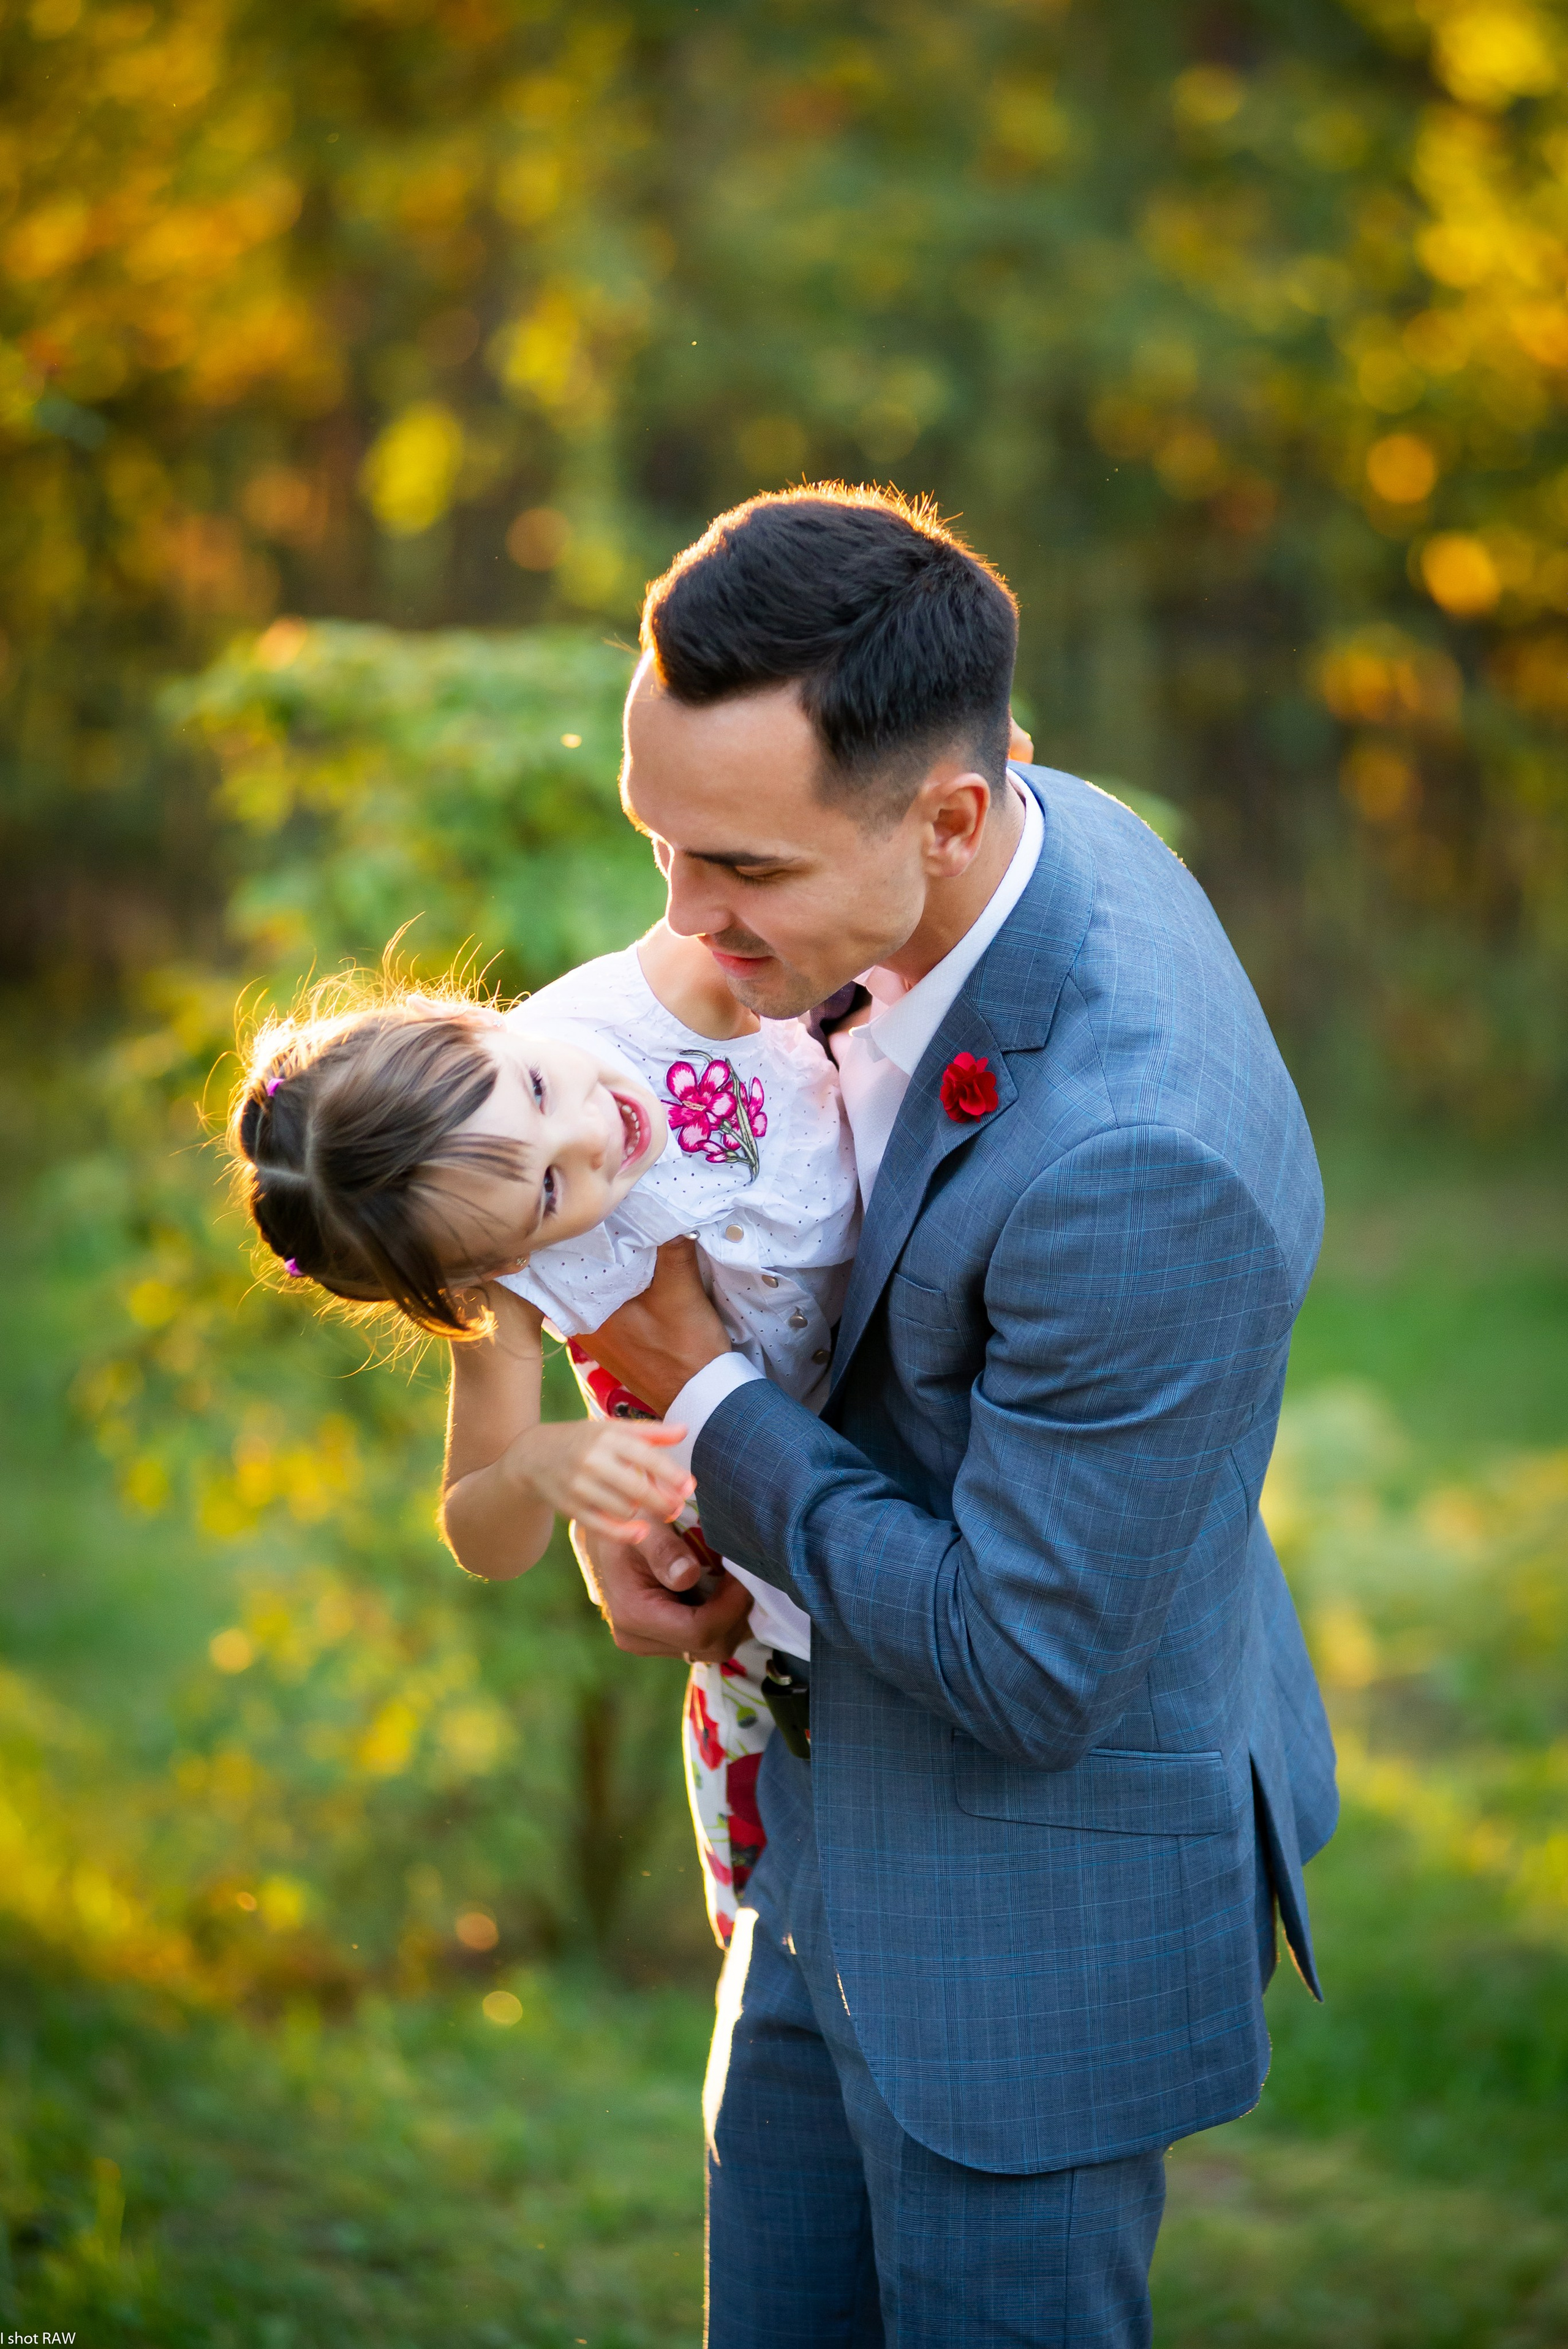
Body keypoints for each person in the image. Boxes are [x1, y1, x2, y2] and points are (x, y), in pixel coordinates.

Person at [575, 484, 1340, 2349]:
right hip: (823, 1824)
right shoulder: (990, 846)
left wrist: (710, 1401)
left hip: (1028, 1915)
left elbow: (1025, 1660)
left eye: (743, 871)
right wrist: (651, 1495)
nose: (684, 922)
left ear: (951, 816)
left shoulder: (1136, 1158)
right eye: (660, 842)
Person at [225, 934, 859, 1937]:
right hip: (776, 1602)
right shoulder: (520, 1278)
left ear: (476, 1019)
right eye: (553, 1193)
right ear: (505, 1258)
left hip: (926, 1467)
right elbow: (483, 1534)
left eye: (531, 1088)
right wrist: (532, 1465)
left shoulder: (665, 990)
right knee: (795, 1939)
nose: (592, 1135)